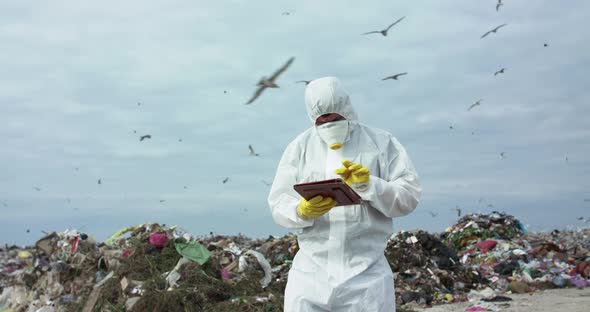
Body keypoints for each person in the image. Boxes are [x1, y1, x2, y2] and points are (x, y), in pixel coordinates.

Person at [268, 77, 422, 311]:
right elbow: (279, 201)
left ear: (347, 110)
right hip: (310, 275)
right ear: (312, 118)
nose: (329, 124)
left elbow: (408, 197)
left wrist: (371, 185)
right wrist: (300, 211)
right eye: (322, 120)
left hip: (367, 276)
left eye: (335, 118)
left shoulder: (381, 143)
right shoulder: (300, 147)